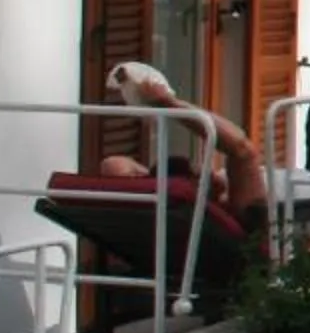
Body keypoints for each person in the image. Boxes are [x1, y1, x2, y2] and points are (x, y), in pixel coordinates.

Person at [93, 61, 270, 234]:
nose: (207, 169)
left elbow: (112, 164)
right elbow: (242, 149)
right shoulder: (238, 216)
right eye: (198, 171)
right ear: (197, 186)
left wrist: (153, 181)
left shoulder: (169, 216)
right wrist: (169, 103)